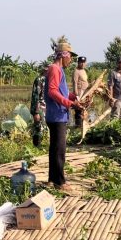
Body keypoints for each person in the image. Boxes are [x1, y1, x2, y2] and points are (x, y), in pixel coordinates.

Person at [44, 40, 82, 190]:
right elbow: (52, 91)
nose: (71, 60)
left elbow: (62, 92)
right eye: (70, 56)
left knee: (55, 149)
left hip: (57, 115)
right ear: (63, 55)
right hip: (57, 116)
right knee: (59, 149)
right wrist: (70, 104)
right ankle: (60, 182)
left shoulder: (58, 70)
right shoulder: (55, 69)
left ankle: (52, 179)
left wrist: (73, 97)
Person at [30, 66, 46, 147]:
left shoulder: (49, 79)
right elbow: (35, 96)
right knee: (38, 128)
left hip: (46, 108)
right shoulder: (39, 79)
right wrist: (35, 112)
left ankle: (41, 146)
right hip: (39, 108)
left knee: (43, 128)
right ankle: (36, 147)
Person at [72, 55, 89, 127]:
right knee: (78, 111)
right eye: (81, 62)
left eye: (84, 62)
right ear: (78, 63)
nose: (82, 64)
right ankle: (78, 126)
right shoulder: (76, 71)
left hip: (85, 94)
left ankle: (83, 126)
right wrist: (77, 96)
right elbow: (75, 84)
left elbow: (85, 82)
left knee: (83, 111)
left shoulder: (84, 71)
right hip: (79, 94)